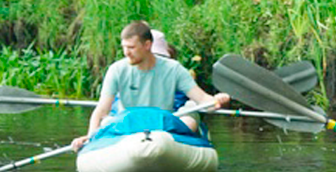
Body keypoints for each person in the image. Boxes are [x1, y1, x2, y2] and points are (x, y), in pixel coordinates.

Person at [70, 21, 229, 152]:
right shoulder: (116, 70)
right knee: (106, 122)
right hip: (128, 124)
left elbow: (201, 98)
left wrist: (216, 101)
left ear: (147, 45)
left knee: (190, 115)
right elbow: (102, 110)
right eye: (124, 47)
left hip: (163, 125)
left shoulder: (174, 69)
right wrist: (90, 136)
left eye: (131, 48)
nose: (126, 53)